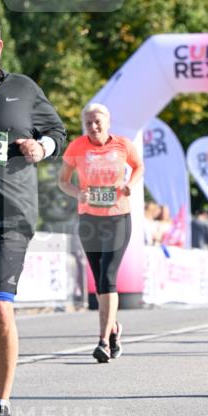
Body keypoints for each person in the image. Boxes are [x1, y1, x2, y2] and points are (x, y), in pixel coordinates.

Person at [0, 8, 66, 416]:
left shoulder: (22, 89)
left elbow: (58, 131)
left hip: (9, 217)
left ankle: (4, 408)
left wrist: (41, 147)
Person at [59, 103, 144, 362]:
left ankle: (103, 341)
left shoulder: (123, 144)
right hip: (89, 220)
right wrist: (78, 192)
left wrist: (130, 185)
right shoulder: (76, 147)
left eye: (97, 122)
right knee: (99, 281)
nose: (93, 127)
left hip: (118, 217)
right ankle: (115, 327)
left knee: (107, 277)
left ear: (107, 122)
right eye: (88, 123)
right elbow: (63, 181)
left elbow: (139, 167)